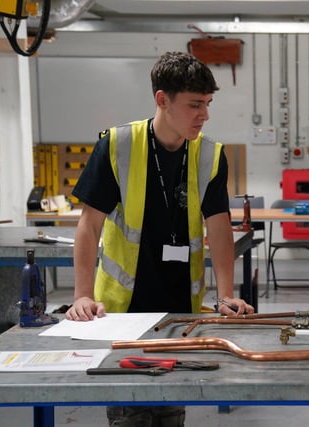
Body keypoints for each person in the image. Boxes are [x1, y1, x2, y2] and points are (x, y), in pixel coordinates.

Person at [65, 51, 254, 426]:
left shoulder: (209, 156)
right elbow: (89, 225)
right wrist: (82, 295)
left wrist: (226, 294)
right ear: (162, 100)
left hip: (179, 308)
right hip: (122, 310)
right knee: (130, 412)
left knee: (171, 409)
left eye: (208, 104)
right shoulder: (118, 146)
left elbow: (218, 226)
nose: (205, 115)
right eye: (195, 105)